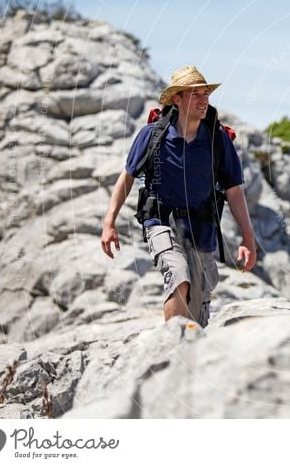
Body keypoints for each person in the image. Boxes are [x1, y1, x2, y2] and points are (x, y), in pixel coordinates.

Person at [100, 65, 256, 327]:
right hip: (161, 222)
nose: (203, 99)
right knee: (178, 275)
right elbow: (127, 177)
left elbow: (234, 190)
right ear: (177, 99)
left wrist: (248, 238)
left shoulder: (218, 140)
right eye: (194, 94)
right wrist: (109, 223)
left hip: (201, 230)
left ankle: (189, 354)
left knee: (197, 308)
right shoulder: (152, 136)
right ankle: (171, 348)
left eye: (205, 93)